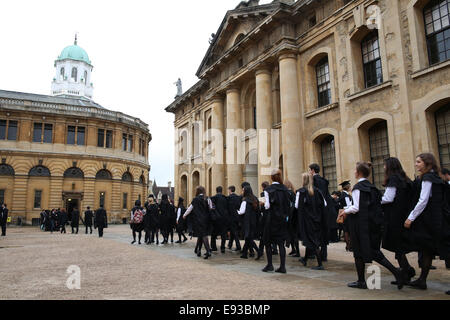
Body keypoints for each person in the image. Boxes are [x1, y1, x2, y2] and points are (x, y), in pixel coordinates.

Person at [338, 162, 405, 290]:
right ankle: (396, 272)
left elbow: (356, 207)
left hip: (360, 225)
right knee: (374, 252)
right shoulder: (372, 187)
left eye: (355, 170)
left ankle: (362, 281)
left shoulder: (358, 187)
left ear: (358, 173)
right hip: (372, 224)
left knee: (358, 252)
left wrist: (344, 212)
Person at [404, 153, 450, 290]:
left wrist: (410, 217)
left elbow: (423, 201)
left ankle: (422, 280)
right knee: (427, 250)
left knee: (444, 251)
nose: (416, 164)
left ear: (427, 163)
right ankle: (422, 280)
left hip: (432, 221)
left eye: (418, 162)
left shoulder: (427, 178)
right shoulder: (436, 177)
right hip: (437, 218)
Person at [380, 157, 416, 285]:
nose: (384, 168)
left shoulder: (393, 178)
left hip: (394, 217)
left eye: (385, 165)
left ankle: (405, 272)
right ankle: (406, 271)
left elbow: (388, 198)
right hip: (403, 215)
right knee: (399, 246)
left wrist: (376, 201)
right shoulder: (405, 179)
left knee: (397, 245)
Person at [261, 169, 290, 274]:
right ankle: (282, 267)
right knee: (281, 243)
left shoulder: (268, 190)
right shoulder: (285, 189)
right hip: (282, 219)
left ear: (271, 177)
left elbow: (267, 206)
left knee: (267, 242)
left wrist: (263, 204)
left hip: (271, 219)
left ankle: (270, 265)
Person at [296, 173, 326, 270]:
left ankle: (320, 264)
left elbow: (297, 206)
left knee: (313, 241)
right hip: (317, 218)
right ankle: (305, 259)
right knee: (311, 239)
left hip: (307, 219)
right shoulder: (318, 191)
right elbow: (324, 204)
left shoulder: (301, 191)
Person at [309, 164, 333, 262]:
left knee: (313, 232)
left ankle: (312, 254)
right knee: (323, 231)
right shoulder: (324, 181)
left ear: (313, 170)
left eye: (310, 170)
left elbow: (312, 196)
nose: (309, 172)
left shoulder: (312, 181)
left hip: (315, 210)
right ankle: (324, 255)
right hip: (325, 209)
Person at [183, 186, 213, 259]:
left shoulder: (195, 199)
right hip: (206, 219)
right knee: (202, 234)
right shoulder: (207, 198)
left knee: (203, 235)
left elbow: (190, 209)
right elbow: (211, 208)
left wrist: (184, 215)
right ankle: (199, 250)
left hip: (198, 220)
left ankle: (208, 251)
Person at [237, 185, 260, 259]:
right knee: (249, 237)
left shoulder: (245, 200)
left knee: (248, 238)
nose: (242, 192)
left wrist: (236, 211)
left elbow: (241, 212)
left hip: (247, 221)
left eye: (243, 190)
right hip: (254, 221)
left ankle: (258, 251)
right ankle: (244, 253)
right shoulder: (255, 199)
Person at [211, 187, 229, 253]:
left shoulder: (213, 198)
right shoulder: (225, 198)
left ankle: (214, 247)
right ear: (222, 191)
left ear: (216, 191)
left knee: (214, 234)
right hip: (224, 218)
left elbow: (212, 208)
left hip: (216, 218)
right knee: (223, 234)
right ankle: (222, 248)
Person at [284, 180, 300, 258]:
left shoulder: (286, 193)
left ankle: (295, 250)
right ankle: (295, 250)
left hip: (289, 215)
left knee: (291, 234)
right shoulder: (294, 193)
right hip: (294, 215)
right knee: (293, 234)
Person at [227, 186, 242, 252]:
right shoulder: (238, 197)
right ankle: (230, 245)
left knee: (234, 231)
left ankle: (238, 246)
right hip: (237, 216)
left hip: (231, 216)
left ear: (230, 190)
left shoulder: (229, 198)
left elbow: (227, 207)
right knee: (233, 230)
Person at [339, 181, 353, 251]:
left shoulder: (344, 194)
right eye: (350, 186)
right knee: (347, 229)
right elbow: (347, 206)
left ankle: (348, 245)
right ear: (347, 187)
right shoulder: (345, 195)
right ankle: (349, 246)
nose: (351, 187)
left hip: (344, 213)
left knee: (346, 229)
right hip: (346, 213)